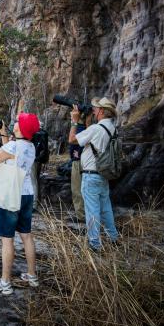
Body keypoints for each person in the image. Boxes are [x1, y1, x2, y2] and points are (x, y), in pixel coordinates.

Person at [0, 112, 41, 295]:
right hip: (26, 194)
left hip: (11, 196)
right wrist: (3, 135)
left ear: (21, 128)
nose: (15, 123)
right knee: (26, 235)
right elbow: (11, 150)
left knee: (7, 239)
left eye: (18, 122)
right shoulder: (30, 146)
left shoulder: (13, 146)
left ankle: (5, 282)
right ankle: (32, 276)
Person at [68, 97, 121, 251]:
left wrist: (74, 121)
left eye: (96, 108)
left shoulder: (96, 129)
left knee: (92, 211)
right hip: (103, 174)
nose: (93, 110)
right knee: (106, 209)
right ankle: (113, 238)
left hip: (90, 175)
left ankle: (94, 244)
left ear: (102, 111)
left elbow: (72, 140)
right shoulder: (112, 128)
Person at [69, 113, 87, 221]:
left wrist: (74, 122)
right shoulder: (87, 127)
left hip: (78, 161)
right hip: (82, 160)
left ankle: (81, 215)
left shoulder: (78, 128)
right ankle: (83, 214)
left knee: (77, 189)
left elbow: (72, 140)